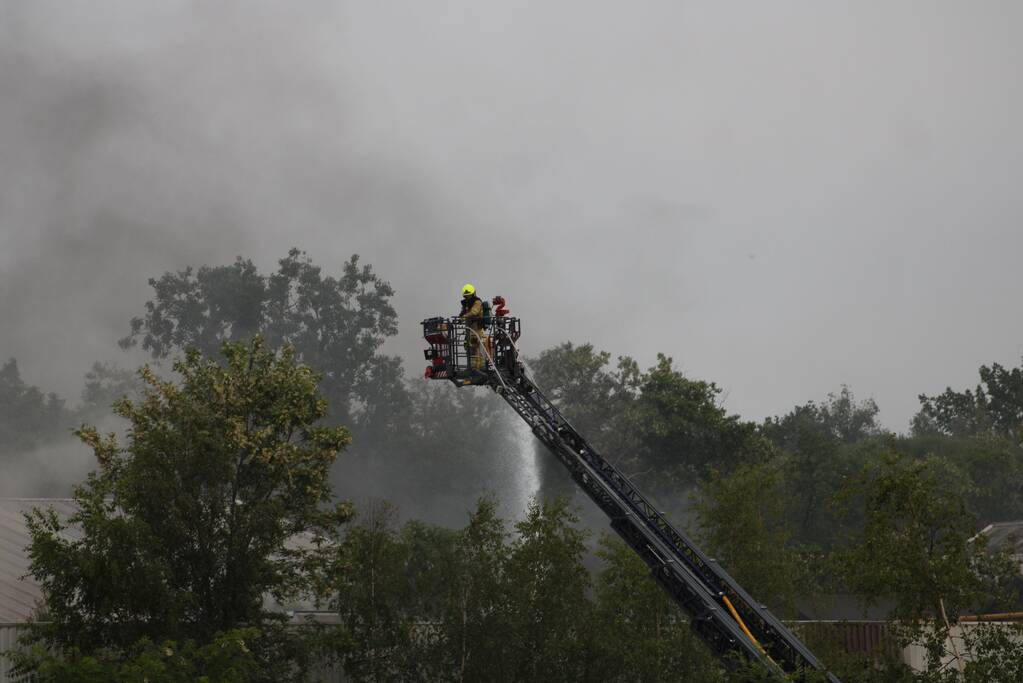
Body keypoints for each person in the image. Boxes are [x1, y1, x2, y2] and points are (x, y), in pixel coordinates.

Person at [459, 283, 484, 370]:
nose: (468, 297)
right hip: (469, 329)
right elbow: (463, 313)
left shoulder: (477, 302)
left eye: (469, 295)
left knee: (475, 345)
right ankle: (471, 366)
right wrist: (460, 318)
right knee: (468, 345)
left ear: (473, 294)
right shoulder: (466, 304)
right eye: (466, 296)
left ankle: (479, 367)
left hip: (476, 328)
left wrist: (464, 317)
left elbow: (474, 312)